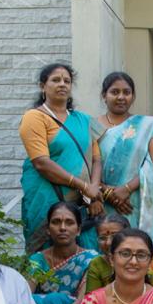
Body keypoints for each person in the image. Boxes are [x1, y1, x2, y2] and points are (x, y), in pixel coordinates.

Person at [19, 63, 102, 253]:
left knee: (85, 254)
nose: (62, 84)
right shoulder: (34, 117)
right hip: (46, 198)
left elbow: (96, 159)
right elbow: (41, 163)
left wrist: (94, 191)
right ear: (42, 86)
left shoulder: (84, 120)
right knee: (44, 256)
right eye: (55, 80)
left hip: (81, 204)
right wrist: (83, 186)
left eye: (67, 81)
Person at [96, 72, 153, 246]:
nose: (121, 97)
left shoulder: (146, 125)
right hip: (100, 199)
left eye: (126, 92)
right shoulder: (91, 126)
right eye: (114, 92)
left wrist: (126, 189)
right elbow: (86, 167)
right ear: (104, 95)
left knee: (133, 246)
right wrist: (109, 193)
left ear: (133, 96)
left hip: (134, 200)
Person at [27, 202, 98, 304]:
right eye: (56, 222)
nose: (63, 228)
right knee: (32, 303)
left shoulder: (91, 260)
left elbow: (85, 300)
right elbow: (24, 298)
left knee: (59, 300)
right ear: (48, 229)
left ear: (78, 230)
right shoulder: (37, 260)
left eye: (69, 222)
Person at [85, 214, 153, 293]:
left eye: (115, 236)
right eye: (102, 238)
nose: (108, 242)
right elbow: (91, 301)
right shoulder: (97, 264)